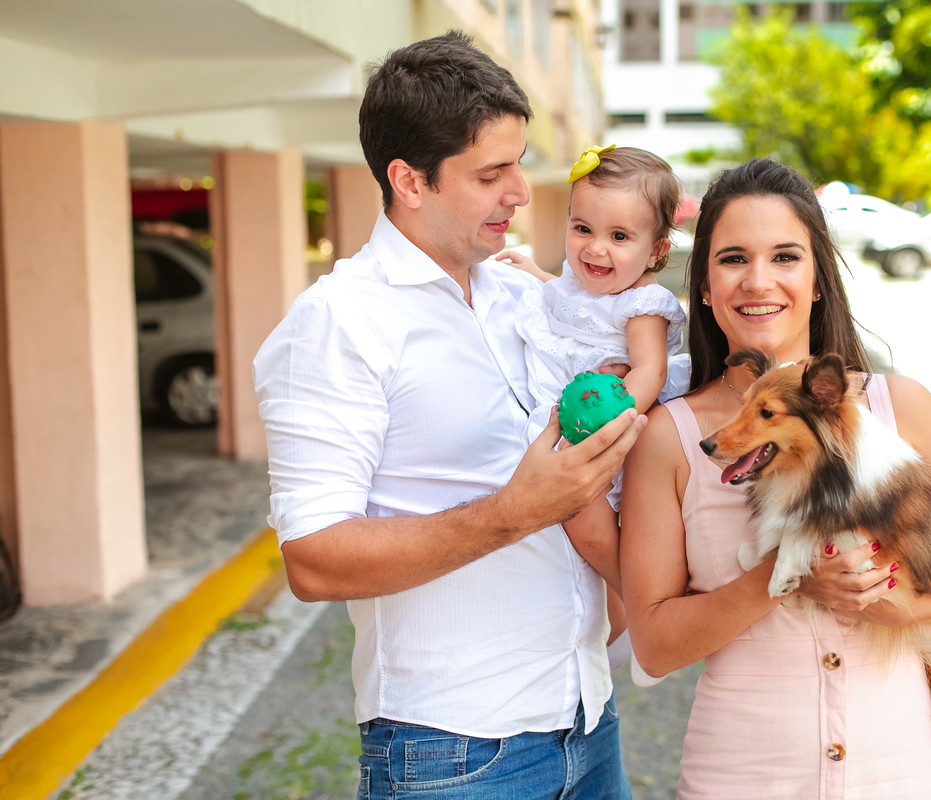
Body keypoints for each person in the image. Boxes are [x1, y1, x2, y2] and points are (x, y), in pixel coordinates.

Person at [253, 32, 643, 800]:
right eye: (492, 172)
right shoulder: (339, 322)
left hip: (588, 721)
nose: (522, 192)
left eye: (519, 162)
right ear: (409, 181)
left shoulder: (523, 294)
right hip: (454, 756)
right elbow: (313, 558)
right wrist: (512, 513)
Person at [619, 159, 931, 798]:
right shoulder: (670, 438)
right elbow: (652, 645)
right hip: (741, 777)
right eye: (733, 259)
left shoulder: (898, 408)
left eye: (785, 257)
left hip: (908, 778)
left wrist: (911, 611)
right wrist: (782, 577)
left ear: (818, 279)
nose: (758, 281)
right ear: (704, 285)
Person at [496, 145, 690, 601]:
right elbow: (572, 307)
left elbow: (651, 370)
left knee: (584, 519)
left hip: (602, 423)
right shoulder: (581, 279)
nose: (595, 248)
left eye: (620, 237)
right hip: (569, 412)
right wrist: (537, 275)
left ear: (656, 250)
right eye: (582, 228)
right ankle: (616, 605)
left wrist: (606, 425)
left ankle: (636, 596)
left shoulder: (643, 302)